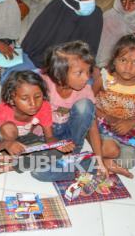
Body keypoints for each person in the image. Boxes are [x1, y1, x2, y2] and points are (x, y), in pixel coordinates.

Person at [31, 41, 107, 181]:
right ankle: (85, 165)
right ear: (60, 74)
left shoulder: (85, 90)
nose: (86, 78)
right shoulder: (42, 84)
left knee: (85, 105)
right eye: (79, 73)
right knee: (38, 171)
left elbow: (92, 127)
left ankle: (78, 156)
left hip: (70, 141)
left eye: (88, 72)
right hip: (45, 139)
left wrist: (100, 159)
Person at [0, 70, 74, 178]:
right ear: (12, 99)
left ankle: (6, 166)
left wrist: (59, 145)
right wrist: (6, 144)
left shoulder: (44, 106)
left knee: (57, 154)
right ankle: (7, 155)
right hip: (3, 140)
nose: (33, 104)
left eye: (37, 97)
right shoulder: (0, 111)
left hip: (24, 139)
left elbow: (49, 137)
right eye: (24, 98)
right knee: (9, 128)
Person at [93, 34, 135, 178]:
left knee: (129, 161)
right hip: (101, 126)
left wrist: (132, 123)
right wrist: (105, 116)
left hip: (127, 131)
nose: (128, 67)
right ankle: (104, 155)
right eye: (123, 60)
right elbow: (87, 101)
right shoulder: (105, 78)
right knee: (110, 149)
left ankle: (105, 160)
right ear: (114, 59)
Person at [19, 0, 102, 69]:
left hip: (76, 68)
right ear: (71, 0)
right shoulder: (53, 14)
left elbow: (90, 52)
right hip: (40, 64)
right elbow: (33, 49)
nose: (91, 2)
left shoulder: (95, 15)